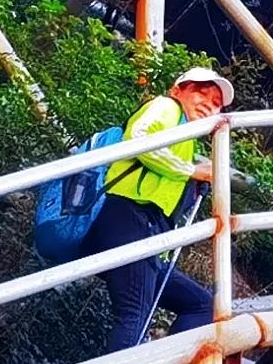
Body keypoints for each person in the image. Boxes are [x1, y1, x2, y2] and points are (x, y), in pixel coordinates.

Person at [89, 64, 233, 349]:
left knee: (202, 304)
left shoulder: (184, 136)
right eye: (202, 94)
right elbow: (141, 139)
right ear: (178, 90)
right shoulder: (166, 107)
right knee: (134, 317)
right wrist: (191, 171)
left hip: (147, 231)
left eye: (217, 104)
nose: (209, 105)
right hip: (129, 218)